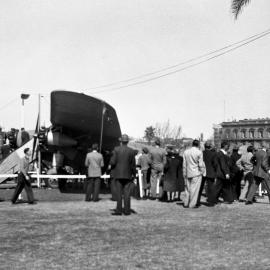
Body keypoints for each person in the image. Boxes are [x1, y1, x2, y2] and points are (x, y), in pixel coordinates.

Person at [109, 134, 136, 215]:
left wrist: (111, 161)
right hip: (128, 174)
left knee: (119, 193)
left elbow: (113, 162)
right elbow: (133, 164)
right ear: (127, 141)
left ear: (121, 141)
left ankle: (119, 210)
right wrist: (134, 175)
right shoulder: (131, 151)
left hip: (118, 174)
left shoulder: (116, 149)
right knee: (127, 194)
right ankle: (127, 211)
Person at [183, 139, 205, 208]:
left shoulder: (186, 152)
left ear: (192, 144)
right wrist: (202, 171)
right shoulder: (199, 152)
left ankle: (186, 203)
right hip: (196, 173)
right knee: (194, 190)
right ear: (198, 145)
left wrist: (184, 172)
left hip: (187, 172)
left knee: (187, 189)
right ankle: (192, 204)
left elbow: (184, 164)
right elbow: (200, 164)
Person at [198, 141, 218, 206]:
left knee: (200, 188)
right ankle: (211, 202)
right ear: (210, 146)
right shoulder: (213, 154)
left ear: (204, 146)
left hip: (202, 172)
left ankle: (197, 201)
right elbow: (215, 164)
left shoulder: (201, 153)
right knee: (211, 188)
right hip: (211, 172)